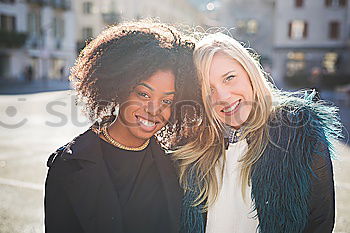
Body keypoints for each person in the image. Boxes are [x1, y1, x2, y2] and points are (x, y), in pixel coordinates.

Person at [174, 33, 342, 233]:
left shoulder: (298, 133)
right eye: (209, 89)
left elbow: (320, 222)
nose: (223, 97)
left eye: (229, 78)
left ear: (249, 71)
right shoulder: (191, 148)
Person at [44, 21, 200, 233]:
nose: (154, 109)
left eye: (167, 101)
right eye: (143, 94)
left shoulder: (177, 166)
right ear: (119, 88)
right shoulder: (68, 164)